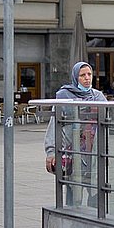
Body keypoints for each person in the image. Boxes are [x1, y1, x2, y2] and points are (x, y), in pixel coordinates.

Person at [44, 61, 103, 207]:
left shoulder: (98, 96)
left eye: (89, 74)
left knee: (96, 191)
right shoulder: (64, 96)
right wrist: (51, 152)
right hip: (73, 152)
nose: (87, 78)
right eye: (82, 75)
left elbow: (107, 122)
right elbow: (54, 125)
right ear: (75, 77)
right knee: (73, 191)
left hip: (94, 152)